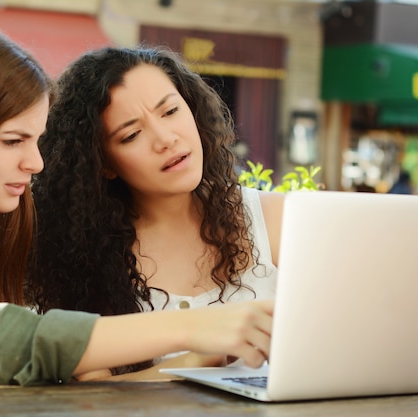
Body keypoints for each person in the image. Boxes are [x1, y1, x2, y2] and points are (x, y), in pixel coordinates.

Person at [0, 25, 274, 388]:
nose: (36, 164)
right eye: (14, 141)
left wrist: (196, 355)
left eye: (36, 140)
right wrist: (192, 327)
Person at [26, 46, 285, 379]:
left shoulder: (276, 220)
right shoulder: (78, 257)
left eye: (171, 111)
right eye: (132, 134)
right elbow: (91, 395)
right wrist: (194, 362)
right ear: (103, 164)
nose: (166, 139)